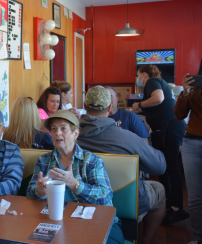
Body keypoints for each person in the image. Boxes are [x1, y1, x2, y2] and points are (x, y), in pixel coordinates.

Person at [77, 86, 167, 244]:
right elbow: (160, 167)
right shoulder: (128, 138)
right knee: (159, 190)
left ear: (85, 106)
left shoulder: (69, 136)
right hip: (127, 205)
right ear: (110, 107)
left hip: (82, 202)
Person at [26, 110, 124, 244]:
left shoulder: (91, 161)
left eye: (63, 129)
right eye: (53, 129)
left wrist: (74, 184)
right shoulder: (43, 161)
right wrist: (40, 191)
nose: (57, 133)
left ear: (75, 133)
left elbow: (104, 195)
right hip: (58, 222)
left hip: (97, 222)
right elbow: (30, 192)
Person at [131, 65, 188, 226]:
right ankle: (168, 200)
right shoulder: (159, 82)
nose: (138, 79)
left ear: (143, 74)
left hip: (168, 127)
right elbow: (157, 107)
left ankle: (177, 208)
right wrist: (134, 110)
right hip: (168, 126)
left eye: (138, 75)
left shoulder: (152, 81)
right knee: (163, 166)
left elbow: (158, 99)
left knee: (170, 166)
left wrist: (140, 105)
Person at [175, 59, 202, 244]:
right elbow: (179, 114)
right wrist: (185, 92)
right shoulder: (195, 84)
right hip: (192, 141)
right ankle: (198, 238)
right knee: (194, 198)